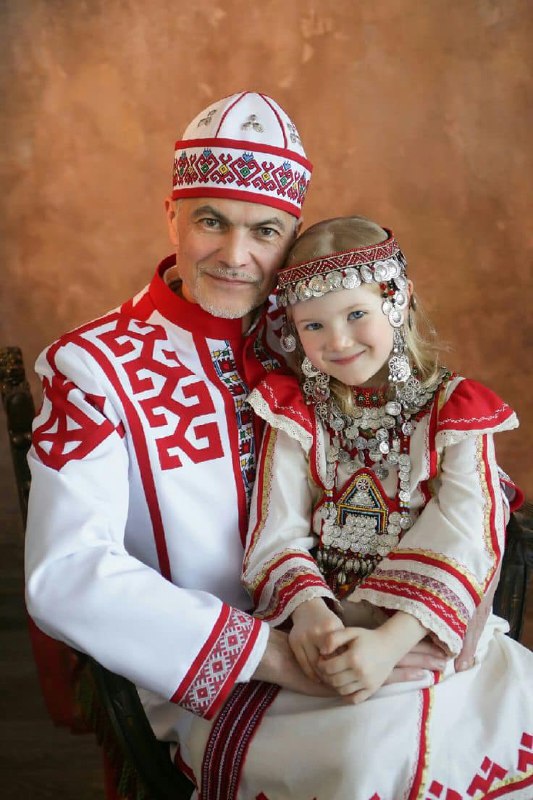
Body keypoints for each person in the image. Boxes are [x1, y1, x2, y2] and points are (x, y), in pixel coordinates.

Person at [24, 94, 486, 795]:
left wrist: (399, 628)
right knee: (373, 766)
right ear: (171, 213)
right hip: (212, 671)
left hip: (365, 630)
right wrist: (269, 653)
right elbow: (65, 572)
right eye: (211, 220)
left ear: (290, 235)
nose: (235, 257)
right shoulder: (92, 367)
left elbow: (440, 472)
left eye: (264, 231)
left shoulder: (318, 338)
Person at [228, 215, 533, 799]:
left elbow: (468, 534)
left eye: (357, 314)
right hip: (315, 636)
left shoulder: (454, 413)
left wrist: (389, 641)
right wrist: (314, 620)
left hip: (424, 636)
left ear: (400, 299)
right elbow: (277, 532)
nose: (337, 341)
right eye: (313, 325)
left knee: (377, 758)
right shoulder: (294, 415)